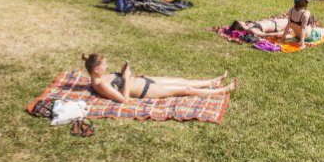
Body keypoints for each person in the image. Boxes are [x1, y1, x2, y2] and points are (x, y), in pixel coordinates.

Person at [84, 53, 236, 100]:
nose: (106, 67)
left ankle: (212, 82)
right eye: (104, 65)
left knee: (180, 80)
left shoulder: (100, 78)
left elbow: (119, 83)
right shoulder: (100, 85)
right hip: (146, 90)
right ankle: (221, 91)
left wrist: (124, 73)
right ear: (96, 69)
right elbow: (124, 100)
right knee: (186, 89)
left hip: (144, 80)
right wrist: (125, 78)